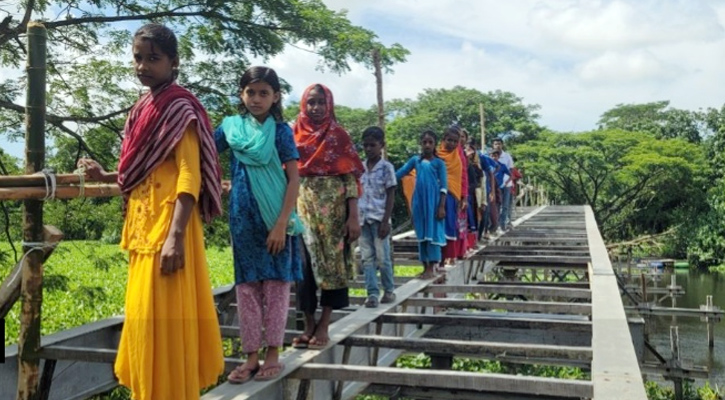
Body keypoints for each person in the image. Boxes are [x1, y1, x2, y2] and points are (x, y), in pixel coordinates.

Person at [78, 23, 224, 400]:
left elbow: (189, 173)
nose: (143, 66)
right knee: (144, 322)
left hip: (169, 231)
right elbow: (142, 169)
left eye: (153, 59)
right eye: (138, 58)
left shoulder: (179, 107)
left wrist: (175, 237)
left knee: (167, 324)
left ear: (174, 63)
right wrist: (106, 175)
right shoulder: (142, 107)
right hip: (142, 228)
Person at [214, 66, 303, 383]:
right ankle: (250, 357)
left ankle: (273, 354)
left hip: (275, 221)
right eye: (250, 92)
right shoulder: (231, 128)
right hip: (242, 221)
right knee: (247, 291)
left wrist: (281, 224)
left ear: (276, 96)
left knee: (277, 290)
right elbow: (202, 152)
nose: (256, 98)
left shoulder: (280, 132)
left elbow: (293, 179)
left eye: (264, 92)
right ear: (242, 94)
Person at [293, 83, 364, 349]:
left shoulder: (338, 135)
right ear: (304, 103)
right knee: (303, 266)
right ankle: (308, 324)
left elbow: (351, 178)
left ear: (329, 104)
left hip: (335, 213)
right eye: (311, 102)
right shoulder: (293, 134)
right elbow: (285, 172)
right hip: (302, 207)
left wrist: (353, 216)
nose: (316, 107)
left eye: (321, 102)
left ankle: (324, 324)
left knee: (333, 266)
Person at [395, 130, 447, 279]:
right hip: (419, 200)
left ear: (435, 144)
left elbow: (444, 186)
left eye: (430, 142)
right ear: (420, 144)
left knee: (433, 232)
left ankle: (432, 266)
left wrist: (441, 206)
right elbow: (402, 172)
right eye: (424, 142)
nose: (427, 145)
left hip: (434, 201)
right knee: (422, 232)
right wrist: (387, 178)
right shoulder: (415, 160)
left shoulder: (439, 163)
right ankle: (424, 266)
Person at [358, 126, 397, 308]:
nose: (368, 149)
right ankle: (372, 293)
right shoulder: (360, 167)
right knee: (367, 258)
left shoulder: (386, 168)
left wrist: (385, 220)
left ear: (381, 145)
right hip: (362, 218)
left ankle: (388, 290)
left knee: (382, 257)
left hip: (380, 217)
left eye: (372, 145)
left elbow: (391, 194)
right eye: (365, 145)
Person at [438, 126, 468, 264]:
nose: (451, 143)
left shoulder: (458, 154)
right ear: (443, 140)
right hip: (436, 195)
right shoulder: (436, 153)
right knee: (437, 227)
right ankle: (435, 261)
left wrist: (464, 196)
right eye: (449, 140)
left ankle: (445, 259)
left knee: (449, 225)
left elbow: (463, 175)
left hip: (452, 196)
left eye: (455, 141)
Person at [492, 138, 514, 229]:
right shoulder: (490, 157)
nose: (497, 145)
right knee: (496, 205)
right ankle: (496, 225)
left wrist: (507, 182)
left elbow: (511, 170)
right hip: (495, 185)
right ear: (493, 145)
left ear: (502, 145)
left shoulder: (507, 156)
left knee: (505, 205)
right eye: (496, 144)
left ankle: (502, 225)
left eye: (499, 144)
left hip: (506, 185)